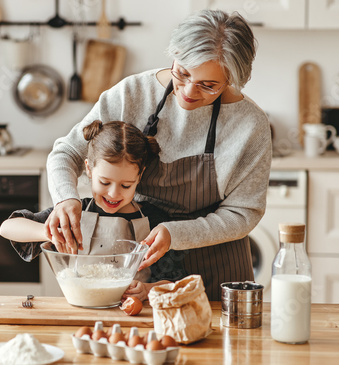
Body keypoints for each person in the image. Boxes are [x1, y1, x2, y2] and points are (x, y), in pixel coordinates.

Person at [44, 9, 272, 301]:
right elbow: (67, 152)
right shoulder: (132, 94)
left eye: (209, 85)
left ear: (233, 80)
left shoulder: (250, 125)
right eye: (183, 73)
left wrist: (175, 233)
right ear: (174, 55)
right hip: (138, 267)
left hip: (217, 267)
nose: (189, 91)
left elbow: (243, 214)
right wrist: (66, 197)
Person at [0, 120, 168, 268]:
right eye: (105, 182)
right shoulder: (73, 215)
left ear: (140, 176)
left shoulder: (153, 219)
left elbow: (174, 277)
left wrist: (147, 288)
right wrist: (49, 233)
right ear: (88, 169)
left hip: (136, 305)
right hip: (80, 303)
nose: (113, 193)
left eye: (126, 185)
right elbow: (7, 227)